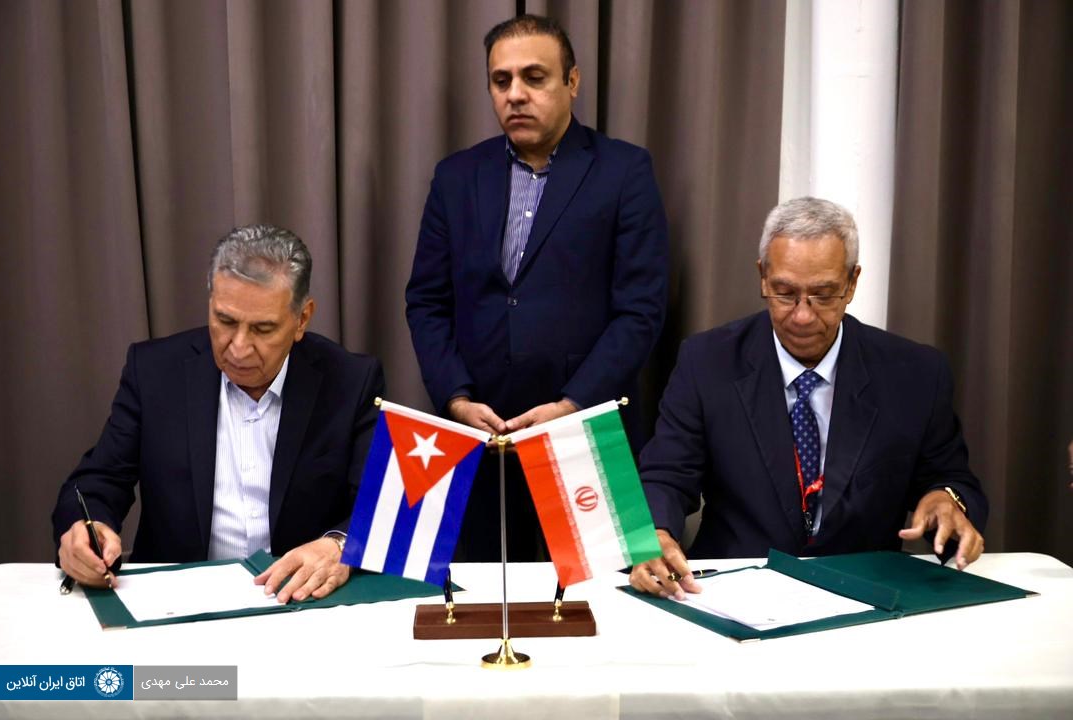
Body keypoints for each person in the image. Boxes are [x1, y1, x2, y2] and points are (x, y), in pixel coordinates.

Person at [405, 15, 668, 560]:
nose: (516, 94)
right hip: (476, 437)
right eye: (501, 81)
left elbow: (640, 311)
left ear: (572, 81)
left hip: (585, 438)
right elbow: (426, 302)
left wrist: (573, 403)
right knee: (475, 598)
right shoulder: (456, 176)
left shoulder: (624, 171)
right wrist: (456, 398)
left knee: (596, 602)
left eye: (534, 77)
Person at [631, 197, 987, 599]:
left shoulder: (915, 373)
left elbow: (953, 480)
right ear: (763, 277)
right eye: (785, 293)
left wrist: (947, 500)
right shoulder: (707, 362)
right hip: (735, 590)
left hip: (865, 594)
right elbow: (665, 474)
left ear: (852, 283)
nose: (802, 315)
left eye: (824, 295)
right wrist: (655, 534)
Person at [53, 225, 384, 603]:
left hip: (299, 598)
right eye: (225, 321)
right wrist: (86, 528)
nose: (238, 348)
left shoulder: (350, 380)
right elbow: (100, 480)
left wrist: (339, 545)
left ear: (302, 319)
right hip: (178, 602)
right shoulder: (155, 371)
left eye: (263, 329)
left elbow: (385, 504)